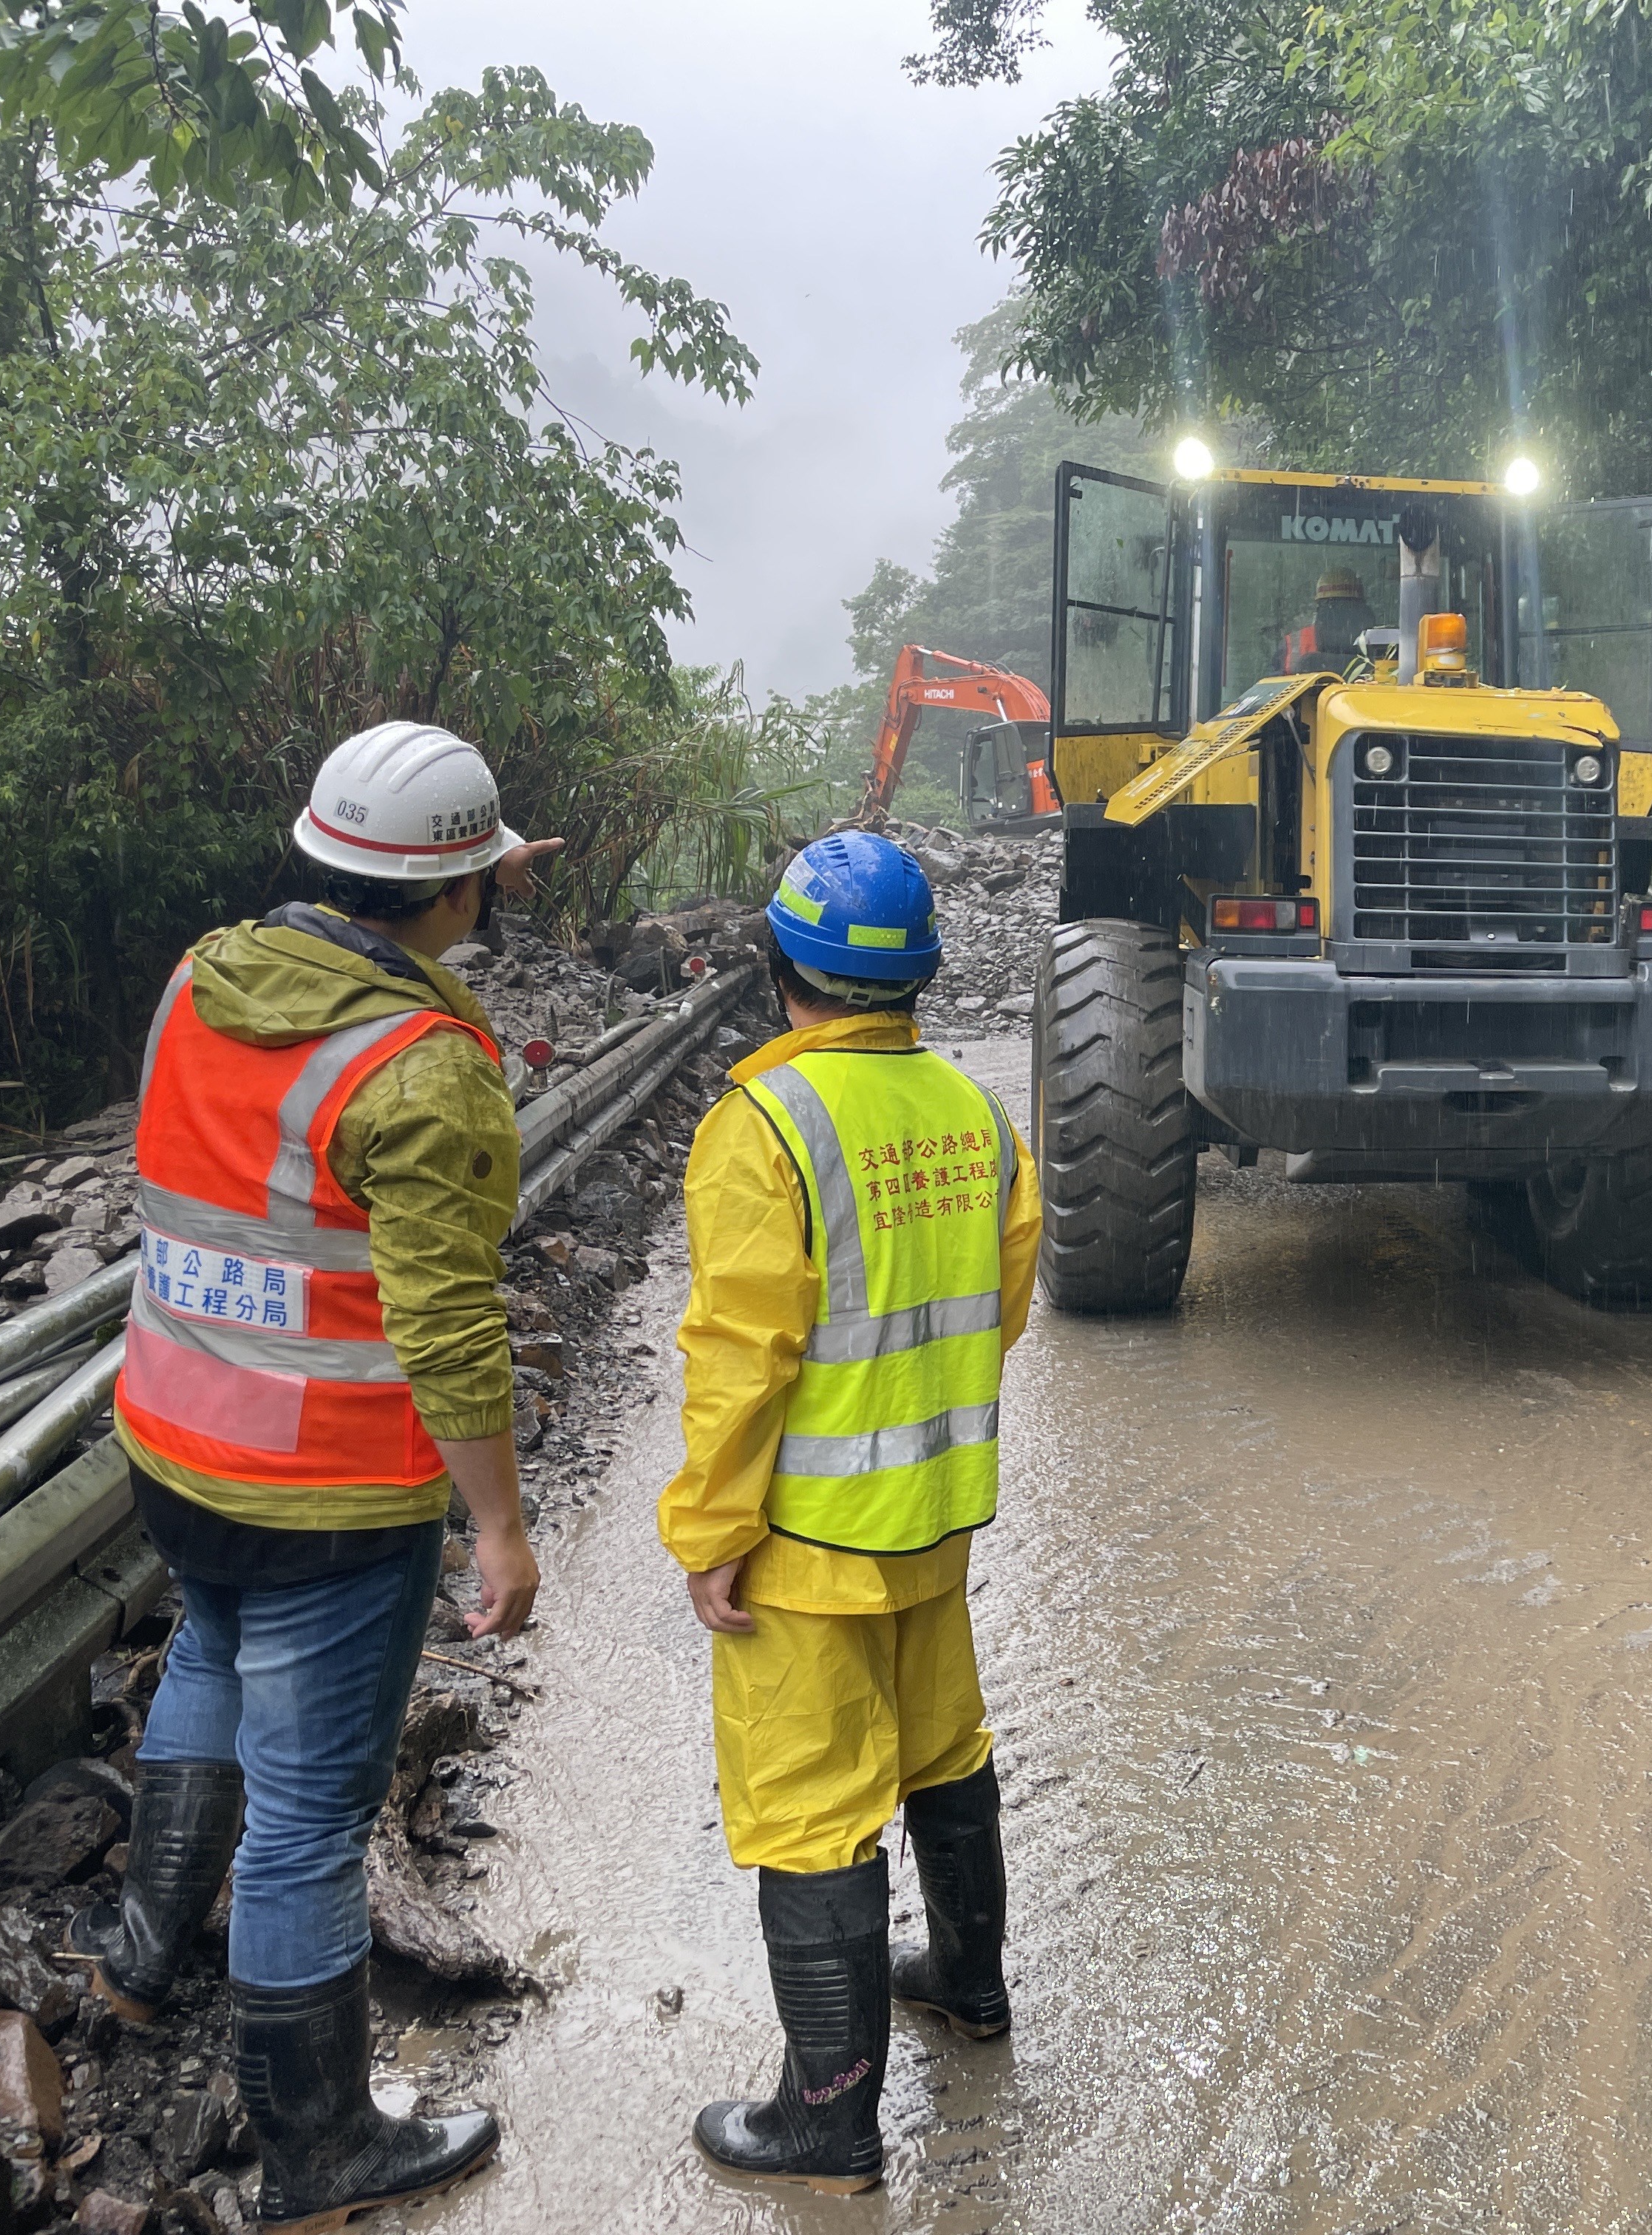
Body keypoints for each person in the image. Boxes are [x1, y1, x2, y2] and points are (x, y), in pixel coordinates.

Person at [75, 720, 557, 2233]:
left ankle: (143, 1969)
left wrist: (470, 877)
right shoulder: (422, 1070)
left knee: (207, 1659)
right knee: (305, 1827)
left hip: (171, 1440)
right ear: (457, 891)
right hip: (327, 1502)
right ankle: (319, 2151)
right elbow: (447, 1323)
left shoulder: (202, 978)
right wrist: (498, 1524)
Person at [661, 831, 1039, 2194]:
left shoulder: (762, 1127)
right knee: (944, 1745)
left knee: (810, 1812)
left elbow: (739, 1355)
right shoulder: (975, 1112)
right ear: (918, 979)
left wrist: (710, 1530)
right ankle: (967, 1980)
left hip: (807, 1544)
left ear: (782, 975)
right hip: (933, 1515)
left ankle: (826, 2122)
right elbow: (1000, 1303)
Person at [1283, 565, 1378, 673]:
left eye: (1344, 606)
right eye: (1332, 605)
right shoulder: (1380, 644)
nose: (1340, 615)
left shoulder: (1293, 643)